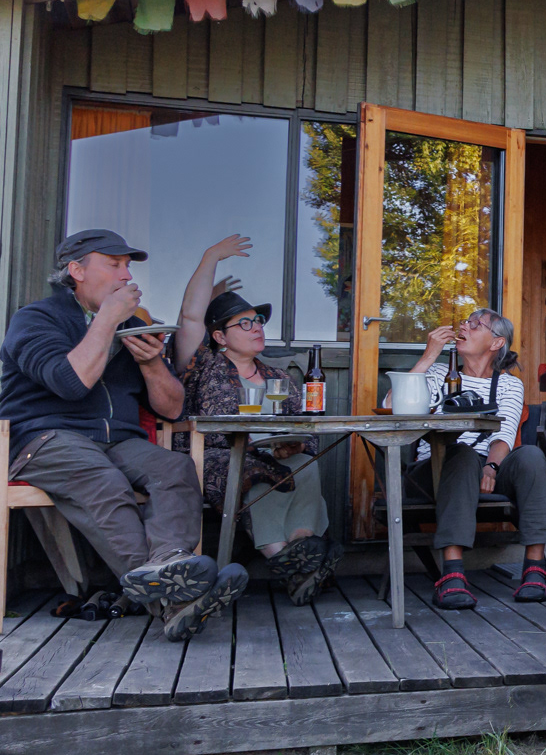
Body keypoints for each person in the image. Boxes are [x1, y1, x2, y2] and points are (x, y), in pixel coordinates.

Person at [0, 230, 246, 640]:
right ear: (76, 271)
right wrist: (107, 321)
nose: (125, 274)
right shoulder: (36, 319)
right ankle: (170, 600)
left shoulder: (133, 327)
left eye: (127, 266)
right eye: (113, 264)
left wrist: (151, 363)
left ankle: (168, 564)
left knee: (174, 467)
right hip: (45, 438)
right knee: (102, 480)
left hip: (117, 441)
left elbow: (171, 408)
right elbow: (70, 382)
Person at [171, 245, 338, 606]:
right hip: (219, 455)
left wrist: (294, 444)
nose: (256, 328)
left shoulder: (278, 376)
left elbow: (302, 426)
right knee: (258, 472)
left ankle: (300, 555)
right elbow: (189, 317)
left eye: (258, 321)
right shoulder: (202, 365)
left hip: (275, 455)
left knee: (306, 464)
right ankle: (294, 565)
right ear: (219, 336)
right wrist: (210, 258)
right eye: (244, 323)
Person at [399, 309, 546, 608]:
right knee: (463, 454)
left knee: (532, 455)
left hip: (486, 469)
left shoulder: (509, 385)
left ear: (496, 343)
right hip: (433, 472)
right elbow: (392, 407)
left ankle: (536, 568)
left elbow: (504, 435)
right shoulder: (436, 375)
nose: (464, 326)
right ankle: (452, 574)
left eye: (475, 324)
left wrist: (492, 467)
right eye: (464, 322)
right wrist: (430, 355)